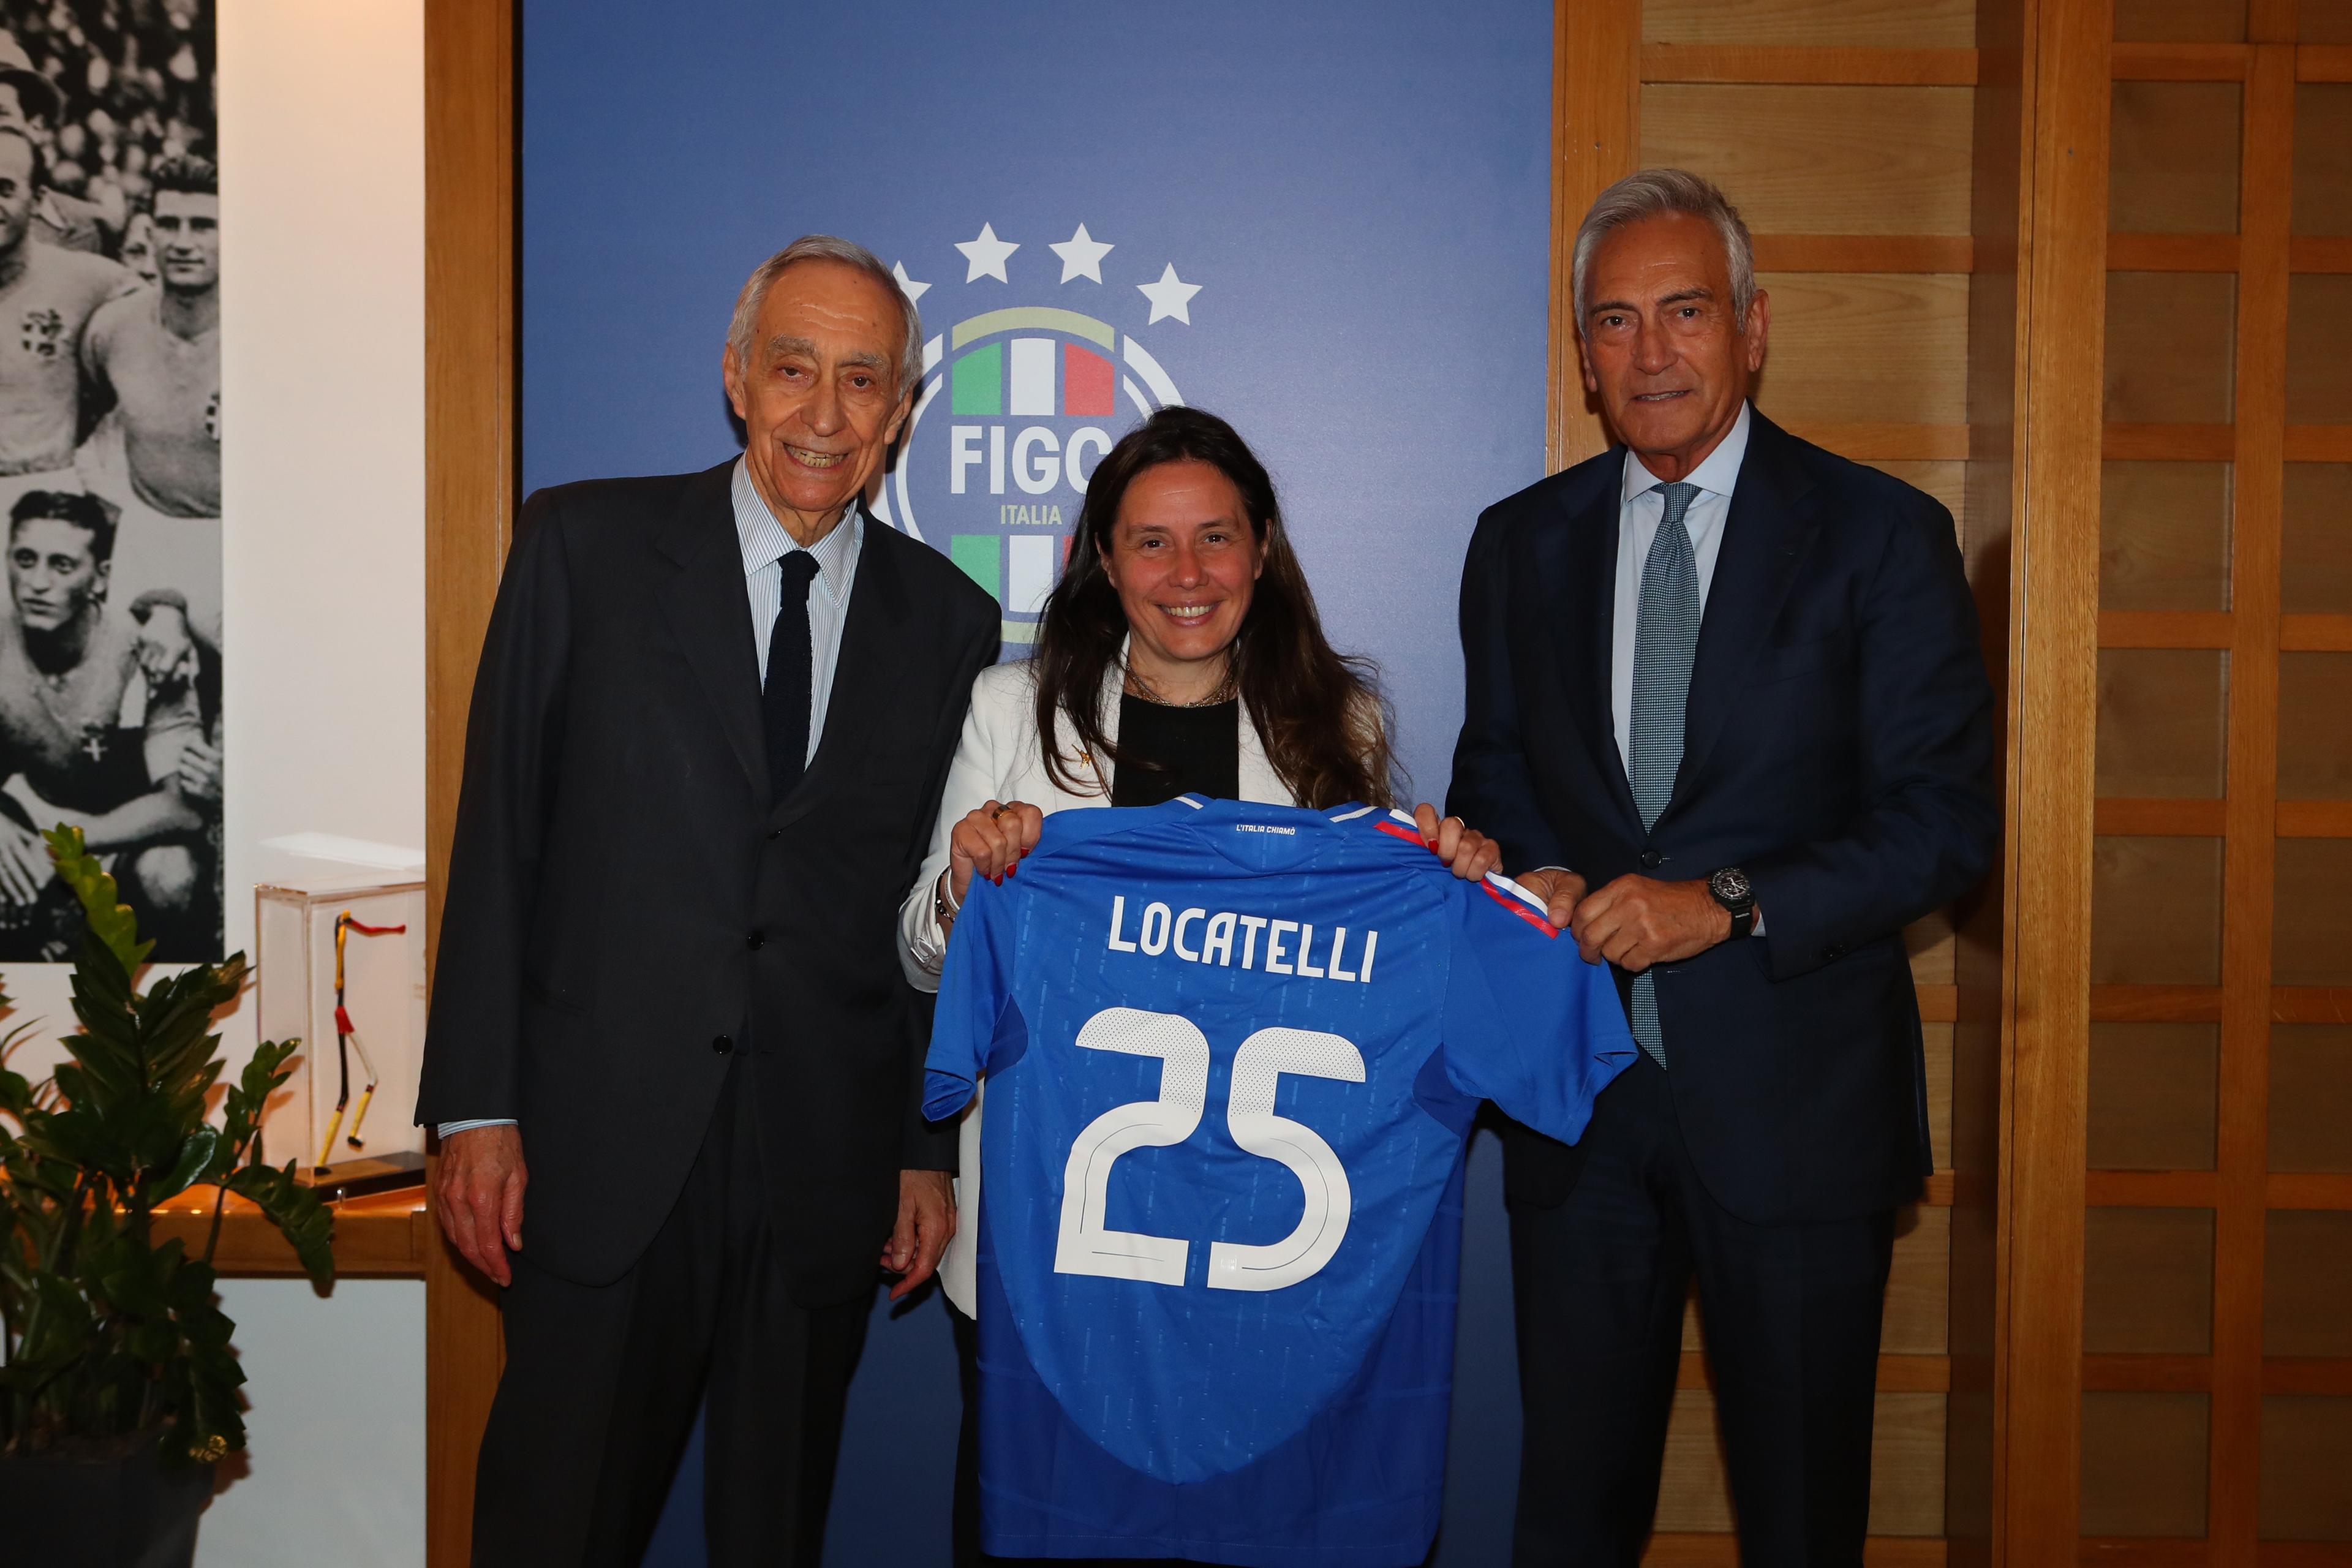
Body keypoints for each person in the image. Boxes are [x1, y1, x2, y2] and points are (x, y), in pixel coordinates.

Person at [417, 235, 1000, 1567]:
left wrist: (923, 1142)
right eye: (794, 368)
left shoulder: (949, 618)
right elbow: (500, 830)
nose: (825, 413)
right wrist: (477, 1103)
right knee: (553, 1524)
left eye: (864, 380)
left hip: (821, 1161)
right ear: (736, 377)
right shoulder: (583, 545)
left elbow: (930, 904)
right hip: (598, 1145)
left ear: (903, 410)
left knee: (773, 1532)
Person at [1446, 168, 1999, 1567]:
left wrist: (1727, 903)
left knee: (1801, 1521)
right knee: (1566, 1518)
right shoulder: (1517, 543)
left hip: (1799, 1114)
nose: (1649, 353)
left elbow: (1944, 821)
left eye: (1682, 313)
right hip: (1578, 1112)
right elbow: (1492, 777)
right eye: (1615, 322)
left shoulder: (1880, 536)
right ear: (1581, 352)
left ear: (1750, 327)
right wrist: (1540, 874)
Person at [895, 405, 1503, 1566]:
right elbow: (923, 958)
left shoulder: (1340, 726)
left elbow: (1370, 982)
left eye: (1216, 538)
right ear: (1101, 560)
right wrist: (967, 882)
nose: (1188, 574)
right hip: (1048, 1243)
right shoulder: (1007, 714)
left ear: (1262, 551)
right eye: (1153, 541)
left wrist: (1456, 886)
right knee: (1043, 1536)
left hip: (1254, 1252)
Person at [0, 488, 212, 956]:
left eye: (62, 565)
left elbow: (183, 807)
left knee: (171, 875)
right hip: (38, 811)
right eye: (25, 559)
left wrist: (62, 846)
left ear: (100, 578)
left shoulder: (148, 649)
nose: (37, 582)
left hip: (125, 829)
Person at [0, 129, 133, 510]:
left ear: (38, 199)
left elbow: (165, 323)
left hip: (42, 498)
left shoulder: (87, 280)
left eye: (5, 189)